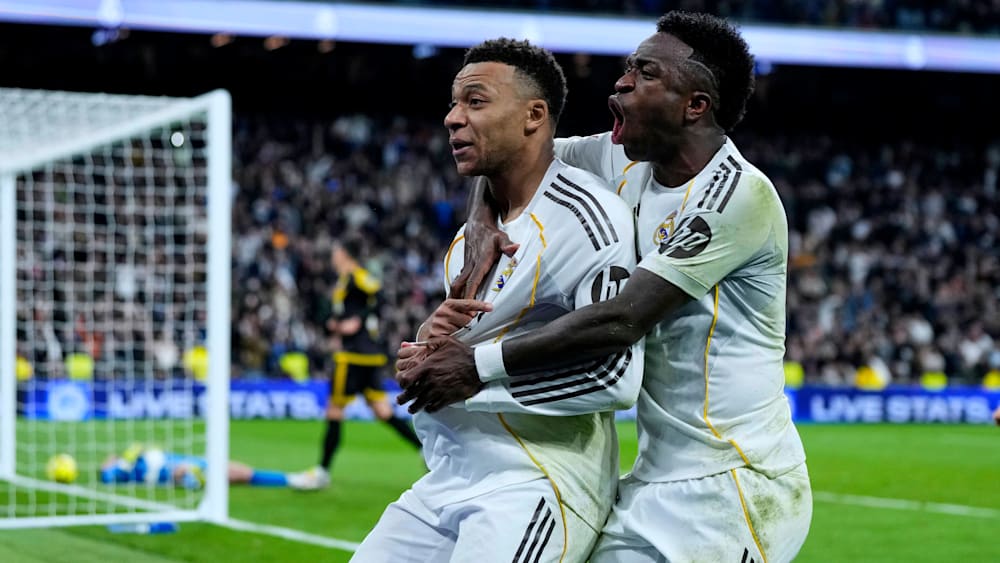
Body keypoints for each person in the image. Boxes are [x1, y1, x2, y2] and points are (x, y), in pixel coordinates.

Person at [397, 12, 812, 563]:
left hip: (735, 483)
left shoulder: (737, 196)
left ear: (695, 105)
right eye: (628, 68)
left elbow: (623, 319)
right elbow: (514, 157)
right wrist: (481, 221)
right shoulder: (621, 158)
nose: (622, 82)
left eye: (645, 73)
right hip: (653, 477)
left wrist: (477, 365)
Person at [352, 38, 642, 562]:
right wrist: (424, 349)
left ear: (534, 115)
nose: (452, 118)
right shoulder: (470, 238)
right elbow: (465, 350)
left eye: (476, 101)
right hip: (448, 476)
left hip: (533, 482)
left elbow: (614, 375)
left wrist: (473, 376)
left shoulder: (587, 220)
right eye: (453, 103)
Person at [295, 238, 421, 490]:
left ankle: (322, 472)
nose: (333, 256)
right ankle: (424, 450)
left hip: (353, 355)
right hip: (368, 355)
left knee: (334, 409)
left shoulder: (356, 276)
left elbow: (379, 294)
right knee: (381, 411)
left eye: (336, 251)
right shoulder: (345, 280)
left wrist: (357, 321)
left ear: (344, 253)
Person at [99, 443, 298, 489]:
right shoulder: (122, 470)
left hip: (183, 462)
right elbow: (107, 475)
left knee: (241, 472)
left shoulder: (132, 458)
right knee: (241, 473)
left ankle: (291, 479)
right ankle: (292, 479)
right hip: (175, 469)